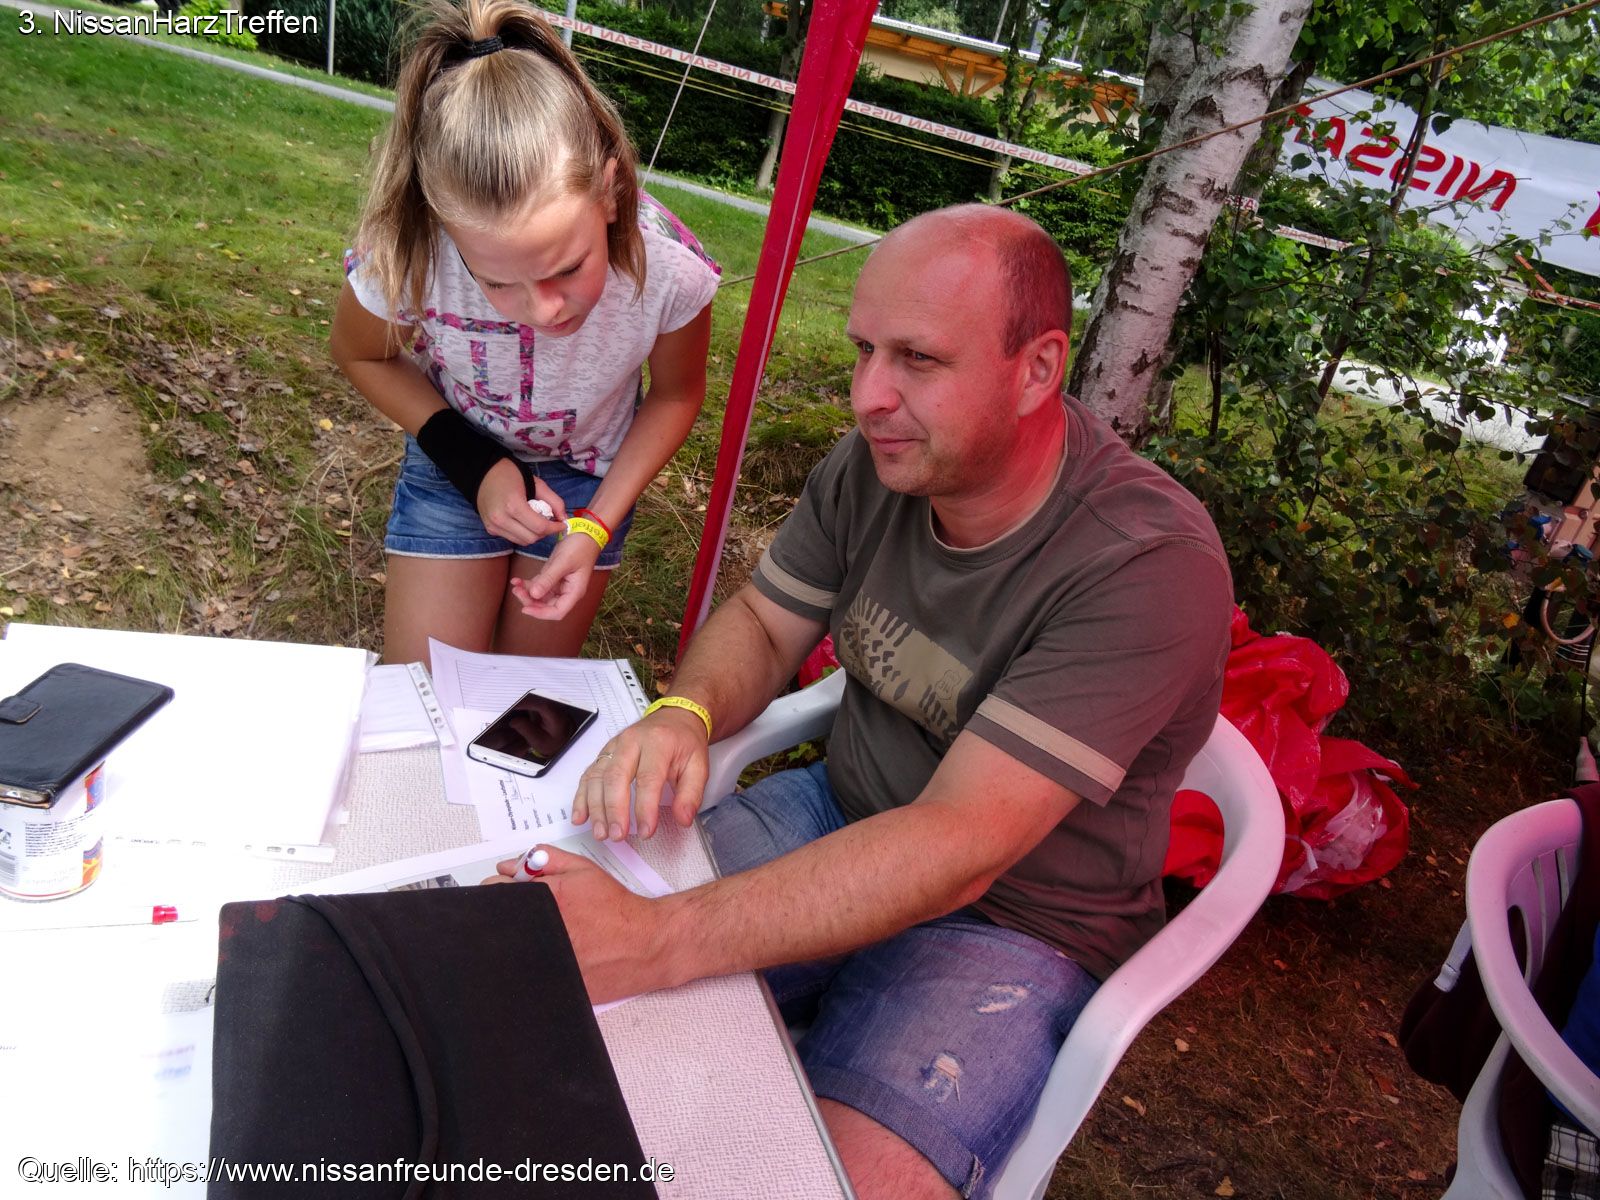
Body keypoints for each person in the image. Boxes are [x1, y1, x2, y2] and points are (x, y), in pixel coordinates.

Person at [489, 205, 1235, 1200]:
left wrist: (660, 940)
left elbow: (960, 843)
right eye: (863, 351)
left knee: (813, 1185)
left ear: (1037, 369)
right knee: (518, 983)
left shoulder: (1146, 564)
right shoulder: (885, 461)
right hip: (835, 807)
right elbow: (763, 623)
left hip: (1018, 924)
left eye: (918, 358)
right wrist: (685, 714)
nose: (869, 396)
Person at [330, 0, 718, 667]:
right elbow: (360, 353)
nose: (543, 310)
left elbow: (675, 394)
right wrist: (475, 466)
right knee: (424, 695)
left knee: (524, 700)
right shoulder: (409, 249)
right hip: (456, 459)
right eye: (496, 282)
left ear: (611, 191)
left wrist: (595, 527)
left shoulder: (671, 270)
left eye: (567, 268)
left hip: (590, 484)